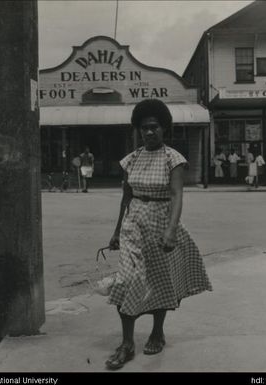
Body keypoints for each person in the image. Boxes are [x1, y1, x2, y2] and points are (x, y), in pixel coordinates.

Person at [105, 99, 212, 370]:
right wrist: (117, 230)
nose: (149, 133)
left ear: (164, 129)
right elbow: (125, 197)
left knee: (159, 281)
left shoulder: (173, 158)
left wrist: (171, 230)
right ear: (138, 131)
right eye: (144, 128)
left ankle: (157, 332)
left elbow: (177, 195)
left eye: (154, 127)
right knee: (126, 281)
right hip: (133, 225)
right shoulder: (132, 158)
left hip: (160, 224)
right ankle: (127, 343)